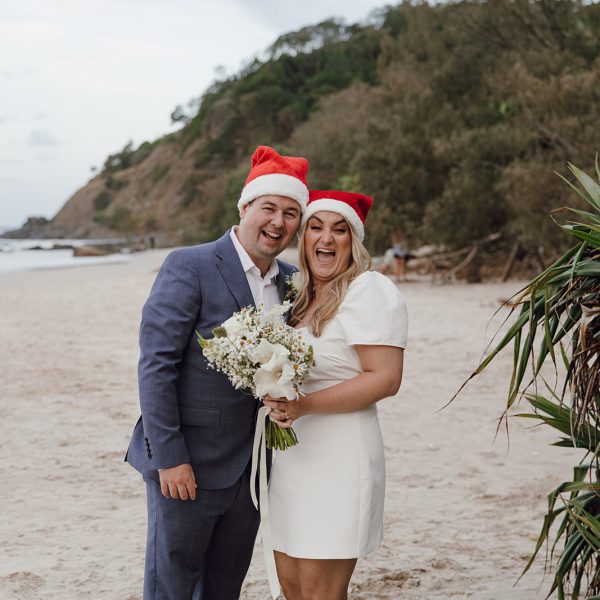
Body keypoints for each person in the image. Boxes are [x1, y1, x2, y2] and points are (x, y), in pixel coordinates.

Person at [124, 145, 309, 600]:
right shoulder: (191, 264)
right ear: (244, 206)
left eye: (290, 213)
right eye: (269, 208)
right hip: (188, 464)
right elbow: (156, 364)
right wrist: (169, 457)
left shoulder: (291, 281)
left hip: (253, 470)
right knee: (172, 586)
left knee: (225, 586)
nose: (278, 222)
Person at [265, 189, 408, 600]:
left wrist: (305, 405)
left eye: (339, 229)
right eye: (315, 227)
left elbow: (385, 378)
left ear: (353, 240)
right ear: (303, 238)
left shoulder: (368, 290)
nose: (326, 238)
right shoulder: (298, 297)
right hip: (292, 459)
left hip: (339, 459)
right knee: (290, 587)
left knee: (319, 593)